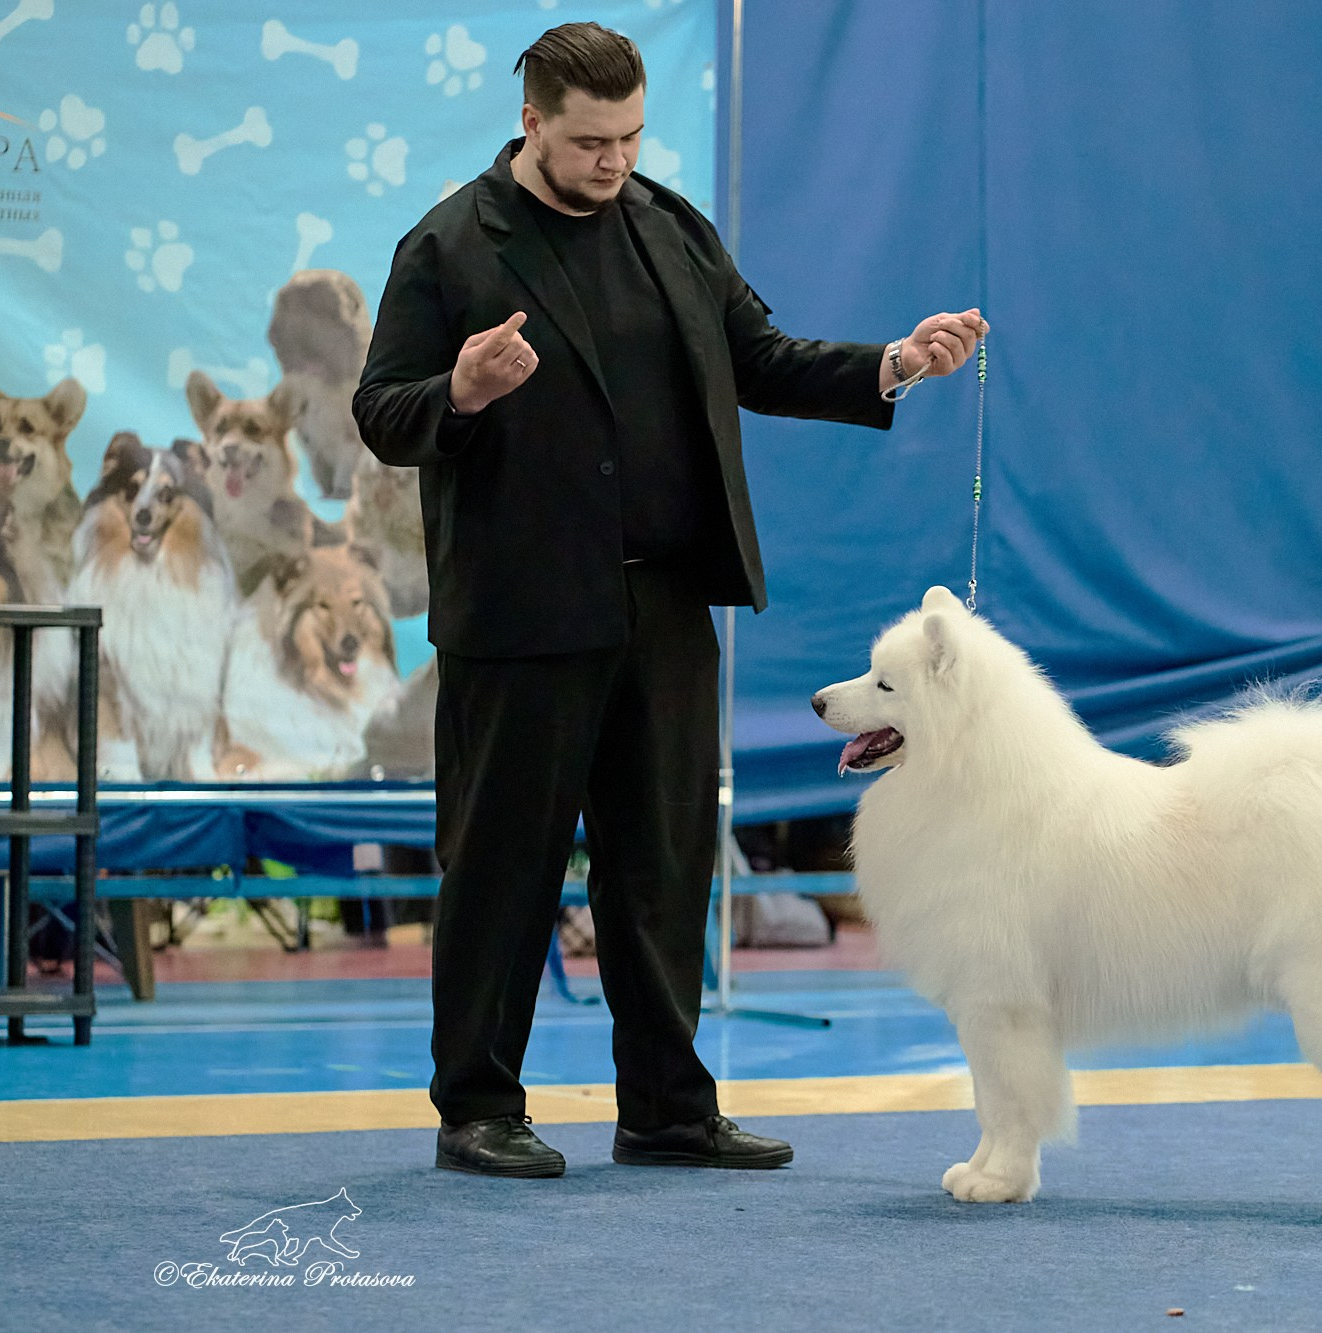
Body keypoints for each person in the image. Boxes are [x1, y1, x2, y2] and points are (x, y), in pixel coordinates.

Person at [352, 22, 986, 1178]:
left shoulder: (669, 226)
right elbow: (380, 410)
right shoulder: (449, 244)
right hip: (522, 615)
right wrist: (459, 387)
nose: (614, 160)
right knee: (503, 867)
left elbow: (762, 357)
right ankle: (477, 1106)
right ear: (532, 121)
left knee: (663, 863)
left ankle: (665, 1107)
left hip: (664, 607)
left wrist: (892, 363)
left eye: (632, 137)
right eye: (592, 140)